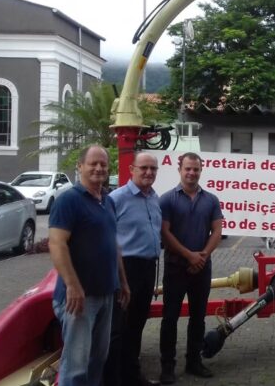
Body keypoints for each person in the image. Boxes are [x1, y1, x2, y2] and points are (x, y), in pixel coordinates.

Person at [48, 145, 129, 386]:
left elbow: (113, 245)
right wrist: (73, 286)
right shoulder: (69, 201)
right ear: (80, 166)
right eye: (93, 163)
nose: (98, 168)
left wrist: (122, 282)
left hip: (105, 294)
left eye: (103, 164)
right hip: (79, 299)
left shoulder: (107, 200)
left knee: (97, 361)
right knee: (75, 366)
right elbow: (57, 244)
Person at [159, 152, 224, 385]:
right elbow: (164, 233)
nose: (192, 173)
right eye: (188, 169)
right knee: (170, 318)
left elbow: (217, 230)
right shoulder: (167, 199)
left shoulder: (211, 200)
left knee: (198, 317)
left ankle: (194, 361)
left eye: (196, 169)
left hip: (202, 268)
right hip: (176, 268)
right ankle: (167, 366)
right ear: (180, 169)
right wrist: (189, 256)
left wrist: (203, 256)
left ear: (201, 170)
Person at [104, 152, 162, 386]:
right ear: (132, 169)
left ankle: (132, 374)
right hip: (125, 268)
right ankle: (114, 378)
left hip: (149, 267)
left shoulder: (153, 198)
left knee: (137, 323)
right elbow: (106, 237)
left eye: (153, 169)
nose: (149, 172)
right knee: (119, 327)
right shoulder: (117, 198)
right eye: (144, 168)